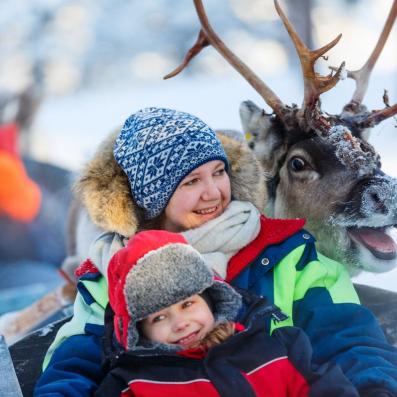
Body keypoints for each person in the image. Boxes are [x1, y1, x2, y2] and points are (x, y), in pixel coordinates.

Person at [35, 107, 397, 397]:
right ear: (151, 200)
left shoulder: (289, 255)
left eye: (218, 172)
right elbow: (74, 363)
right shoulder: (110, 275)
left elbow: (350, 339)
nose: (213, 192)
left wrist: (374, 389)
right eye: (192, 181)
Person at [93, 229, 359, 397]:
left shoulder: (275, 348)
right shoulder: (132, 384)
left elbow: (325, 386)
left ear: (211, 299)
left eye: (187, 304)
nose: (181, 323)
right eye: (159, 317)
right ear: (139, 331)